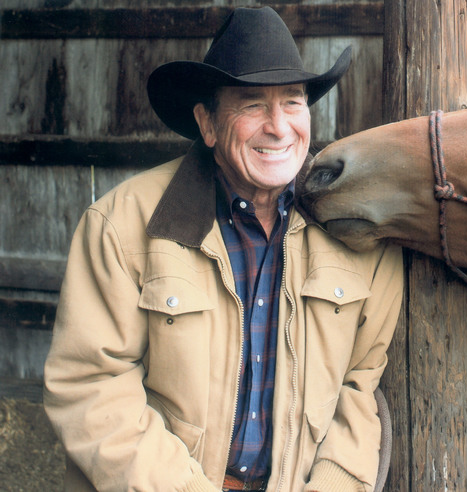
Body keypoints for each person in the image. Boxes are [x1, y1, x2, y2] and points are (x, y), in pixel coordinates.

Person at [44, 7, 403, 492]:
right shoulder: (121, 226)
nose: (279, 127)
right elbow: (92, 387)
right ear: (207, 123)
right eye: (253, 105)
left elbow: (359, 385)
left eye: (293, 102)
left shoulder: (355, 229)